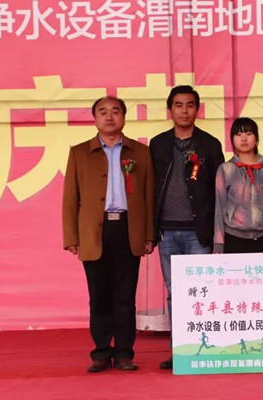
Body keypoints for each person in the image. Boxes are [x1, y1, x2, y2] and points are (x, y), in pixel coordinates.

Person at [62, 96, 154, 373]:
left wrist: (149, 234)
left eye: (115, 111)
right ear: (95, 118)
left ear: (124, 117)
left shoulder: (140, 152)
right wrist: (71, 237)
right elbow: (70, 198)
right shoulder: (79, 153)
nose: (110, 116)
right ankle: (101, 352)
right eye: (103, 112)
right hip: (94, 232)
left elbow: (148, 196)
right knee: (98, 296)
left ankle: (125, 353)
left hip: (128, 229)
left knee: (125, 297)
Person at [150, 85, 224, 369]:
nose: (184, 110)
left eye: (190, 105)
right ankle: (180, 351)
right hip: (167, 232)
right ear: (170, 109)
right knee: (175, 292)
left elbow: (220, 191)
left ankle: (205, 348)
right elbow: (149, 190)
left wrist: (218, 234)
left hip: (199, 232)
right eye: (178, 105)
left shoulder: (209, 144)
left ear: (197, 109)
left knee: (202, 292)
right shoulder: (157, 144)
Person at [213, 117, 263, 254]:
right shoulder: (226, 169)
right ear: (232, 140)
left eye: (249, 134)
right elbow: (219, 208)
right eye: (238, 134)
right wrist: (218, 242)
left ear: (256, 138)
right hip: (233, 238)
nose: (243, 138)